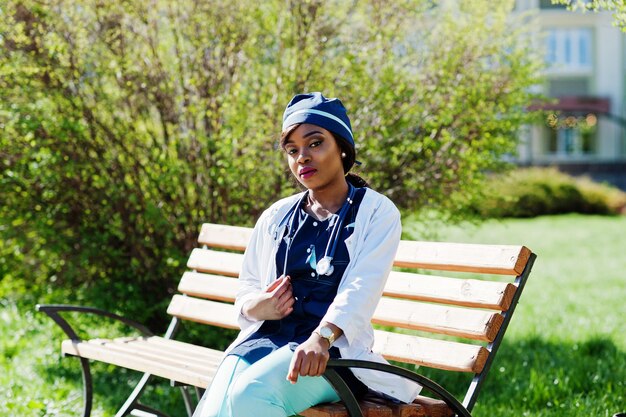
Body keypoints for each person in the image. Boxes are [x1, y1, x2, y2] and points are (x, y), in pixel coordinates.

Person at [193, 92, 421, 417]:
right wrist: (257, 306)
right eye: (292, 150)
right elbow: (247, 287)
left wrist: (322, 337)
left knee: (250, 396)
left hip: (332, 356)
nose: (302, 157)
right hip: (266, 342)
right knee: (213, 410)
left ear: (342, 147)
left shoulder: (375, 212)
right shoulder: (277, 216)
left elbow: (362, 288)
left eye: (315, 143)